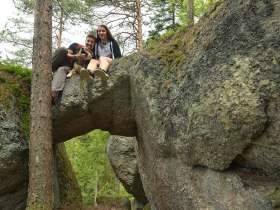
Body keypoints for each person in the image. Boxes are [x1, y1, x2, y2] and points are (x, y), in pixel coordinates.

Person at [51, 34, 96, 104]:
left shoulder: (92, 55)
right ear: (85, 41)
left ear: (94, 44)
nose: (89, 43)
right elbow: (67, 55)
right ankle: (48, 67)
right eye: (88, 41)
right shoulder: (76, 45)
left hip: (69, 68)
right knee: (63, 50)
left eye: (92, 42)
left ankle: (54, 94)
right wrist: (76, 56)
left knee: (61, 69)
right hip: (60, 62)